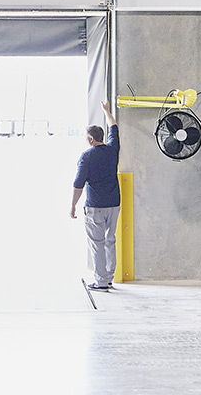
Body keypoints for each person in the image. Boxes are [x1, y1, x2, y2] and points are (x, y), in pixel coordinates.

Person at [71, 100, 120, 291]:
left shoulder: (87, 156)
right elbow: (113, 128)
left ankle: (100, 281)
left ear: (91, 139)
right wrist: (107, 111)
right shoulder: (113, 150)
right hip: (114, 204)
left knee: (97, 244)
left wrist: (73, 205)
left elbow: (78, 184)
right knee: (110, 240)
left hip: (95, 207)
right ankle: (109, 278)